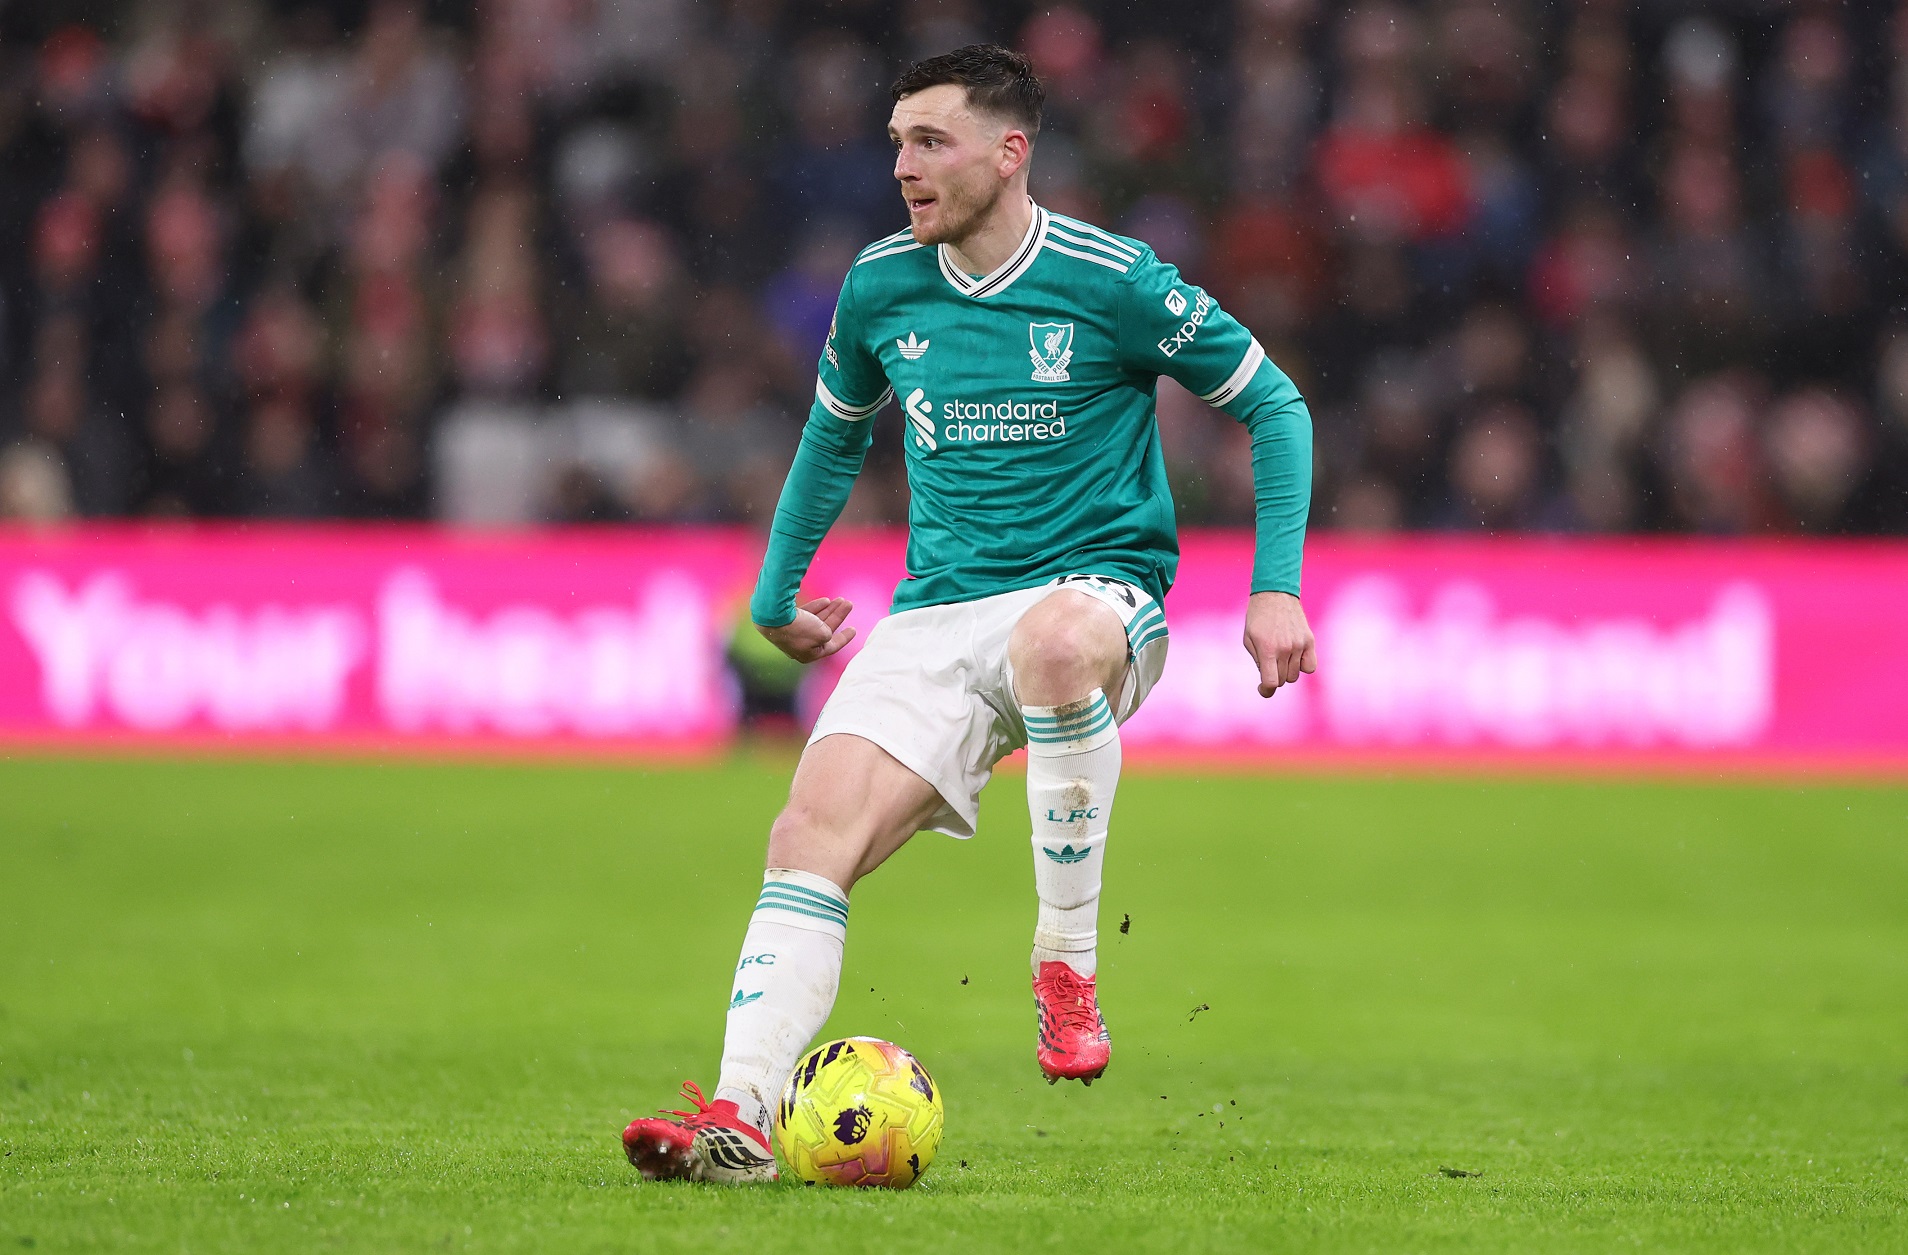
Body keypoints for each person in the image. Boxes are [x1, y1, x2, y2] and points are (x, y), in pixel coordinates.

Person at [622, 44, 1317, 1184]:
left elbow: (1274, 404)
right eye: (897, 140)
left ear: (1011, 152)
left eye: (930, 140)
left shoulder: (1112, 278)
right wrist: (774, 591)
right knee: (805, 837)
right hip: (935, 614)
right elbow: (834, 433)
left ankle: (1065, 969)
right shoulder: (881, 286)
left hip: (1096, 597)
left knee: (1049, 643)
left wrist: (1275, 583)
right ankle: (740, 1120)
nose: (903, 164)